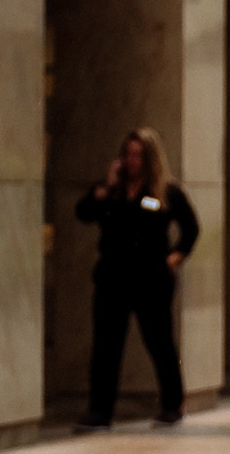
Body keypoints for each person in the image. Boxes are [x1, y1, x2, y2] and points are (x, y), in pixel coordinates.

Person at [77, 127, 198, 427]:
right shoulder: (111, 192)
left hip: (152, 279)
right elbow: (84, 213)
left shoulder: (165, 192)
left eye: (138, 155)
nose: (131, 161)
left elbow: (191, 229)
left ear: (149, 158)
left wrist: (175, 257)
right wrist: (104, 188)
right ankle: (100, 410)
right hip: (112, 279)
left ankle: (172, 403)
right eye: (127, 154)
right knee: (106, 346)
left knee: (159, 342)